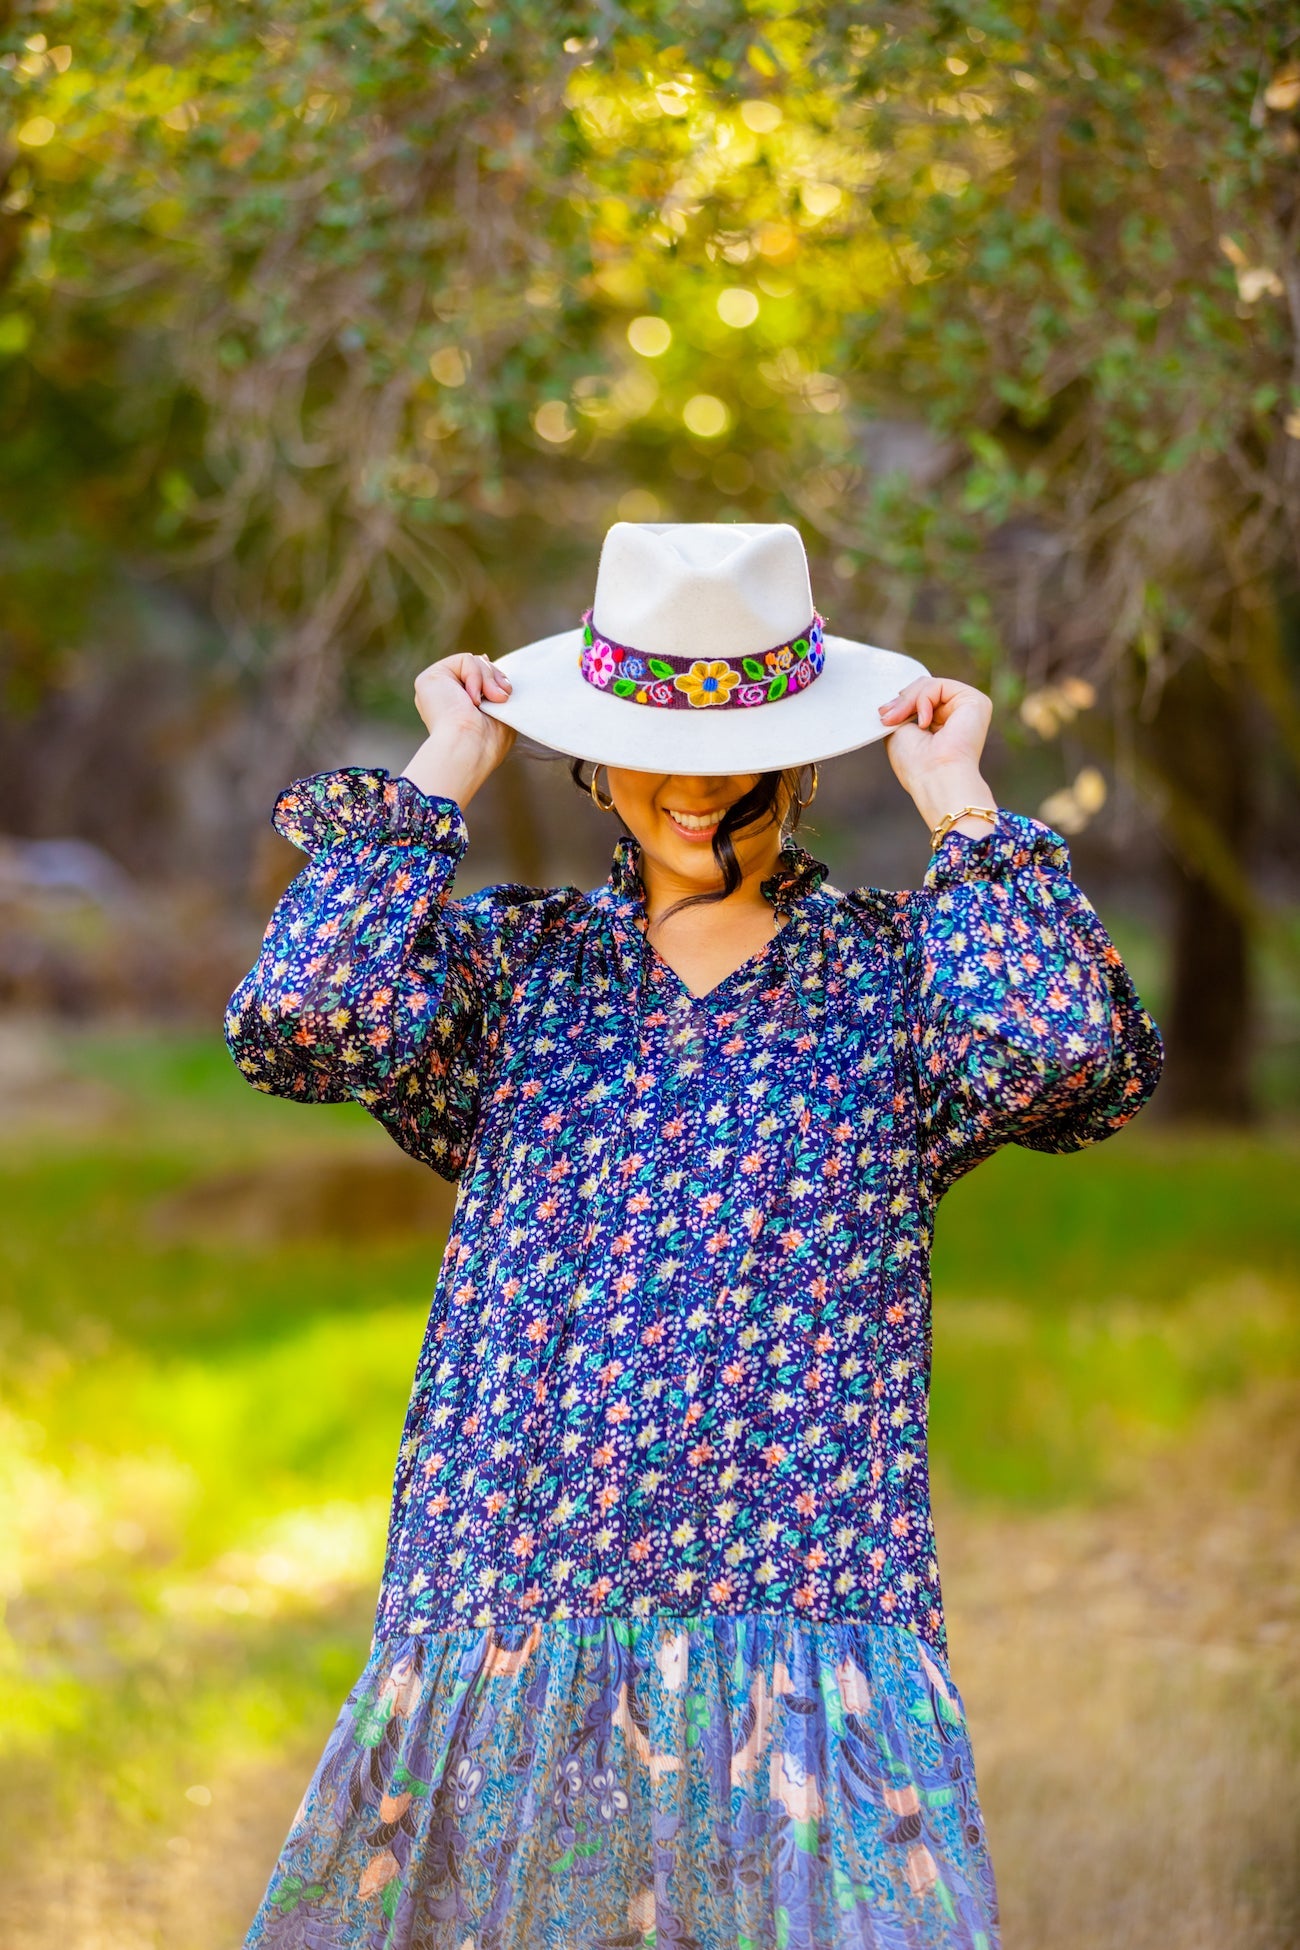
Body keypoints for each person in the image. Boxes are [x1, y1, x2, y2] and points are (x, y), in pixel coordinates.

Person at [225, 522, 1163, 1950]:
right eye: (658, 738)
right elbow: (298, 1019)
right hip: (519, 1586)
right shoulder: (510, 971)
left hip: (816, 1594)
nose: (703, 780)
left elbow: (1065, 1060)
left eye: (747, 741)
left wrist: (959, 798)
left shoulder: (898, 980)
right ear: (595, 753)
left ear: (803, 751)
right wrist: (445, 768)